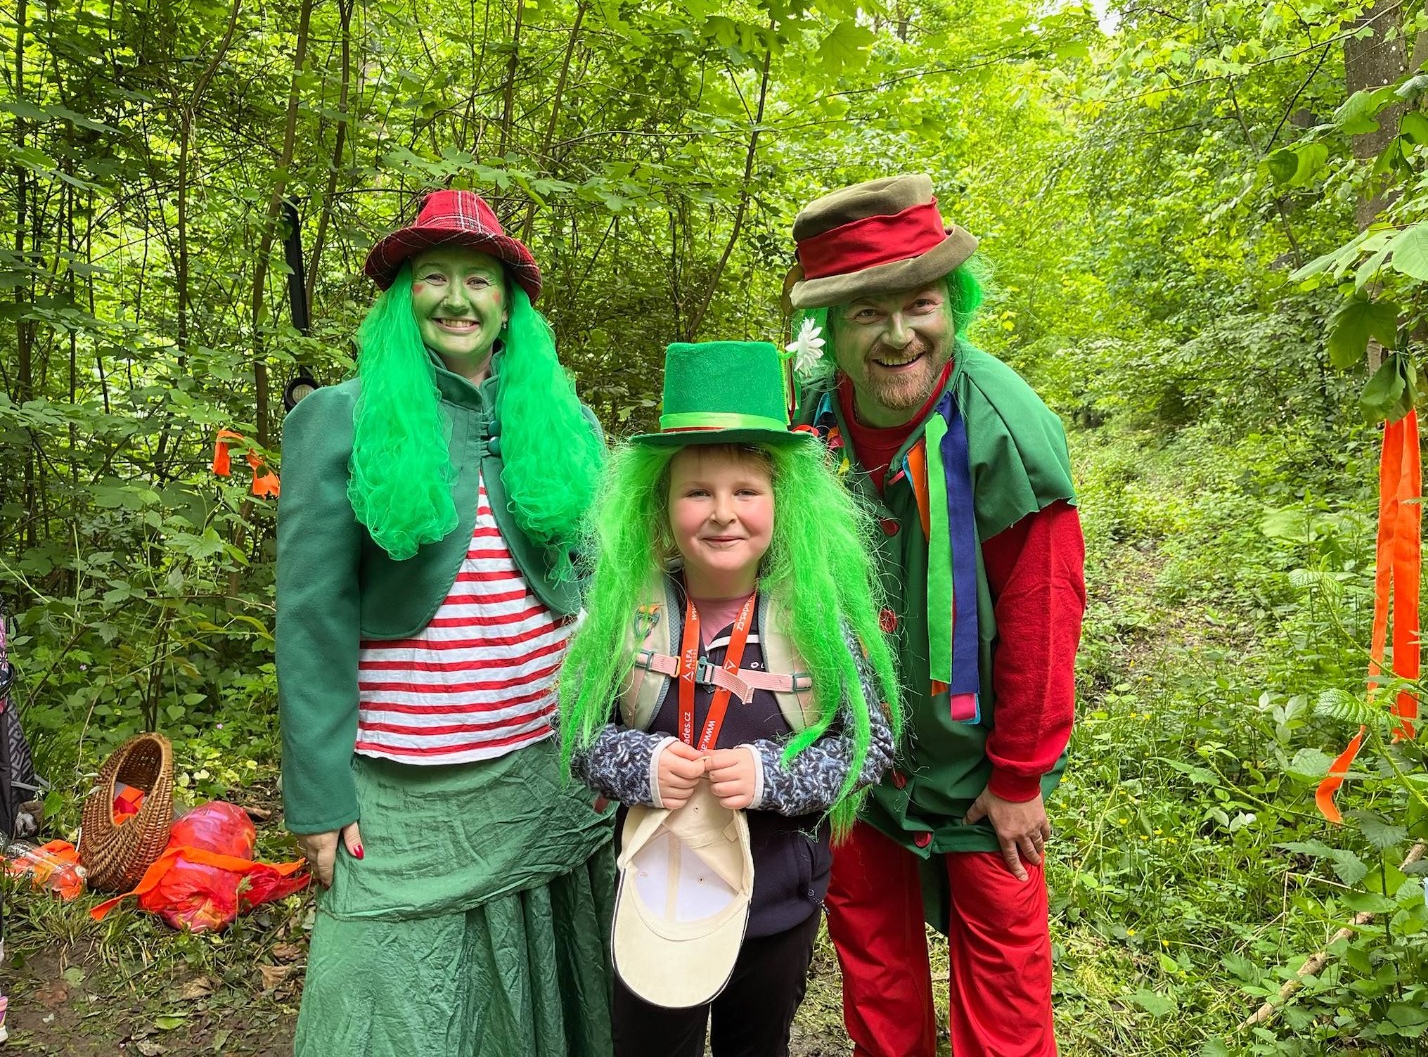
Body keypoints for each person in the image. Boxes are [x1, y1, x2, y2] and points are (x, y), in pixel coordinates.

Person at [275, 190, 613, 1056]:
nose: (458, 298)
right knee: (382, 1002)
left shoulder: (564, 419)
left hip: (548, 767)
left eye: (479, 280)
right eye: (434, 277)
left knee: (547, 979)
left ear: (508, 305)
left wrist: (613, 733)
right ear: (404, 296)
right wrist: (318, 795)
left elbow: (596, 588)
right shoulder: (339, 418)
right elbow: (312, 618)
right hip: (404, 786)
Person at [787, 174, 1087, 1057]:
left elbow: (1043, 612)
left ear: (953, 303)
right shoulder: (813, 415)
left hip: (980, 767)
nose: (897, 335)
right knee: (875, 970)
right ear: (832, 327)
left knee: (1004, 983)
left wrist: (1020, 777)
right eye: (866, 312)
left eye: (919, 304)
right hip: (854, 753)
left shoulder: (1002, 429)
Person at [557, 340, 902, 1057]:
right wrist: (642, 763)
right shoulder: (628, 612)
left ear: (784, 503)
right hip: (658, 903)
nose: (722, 513)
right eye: (696, 492)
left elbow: (870, 744)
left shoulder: (815, 619)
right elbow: (579, 736)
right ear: (659, 503)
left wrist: (773, 775)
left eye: (746, 491)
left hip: (776, 907)